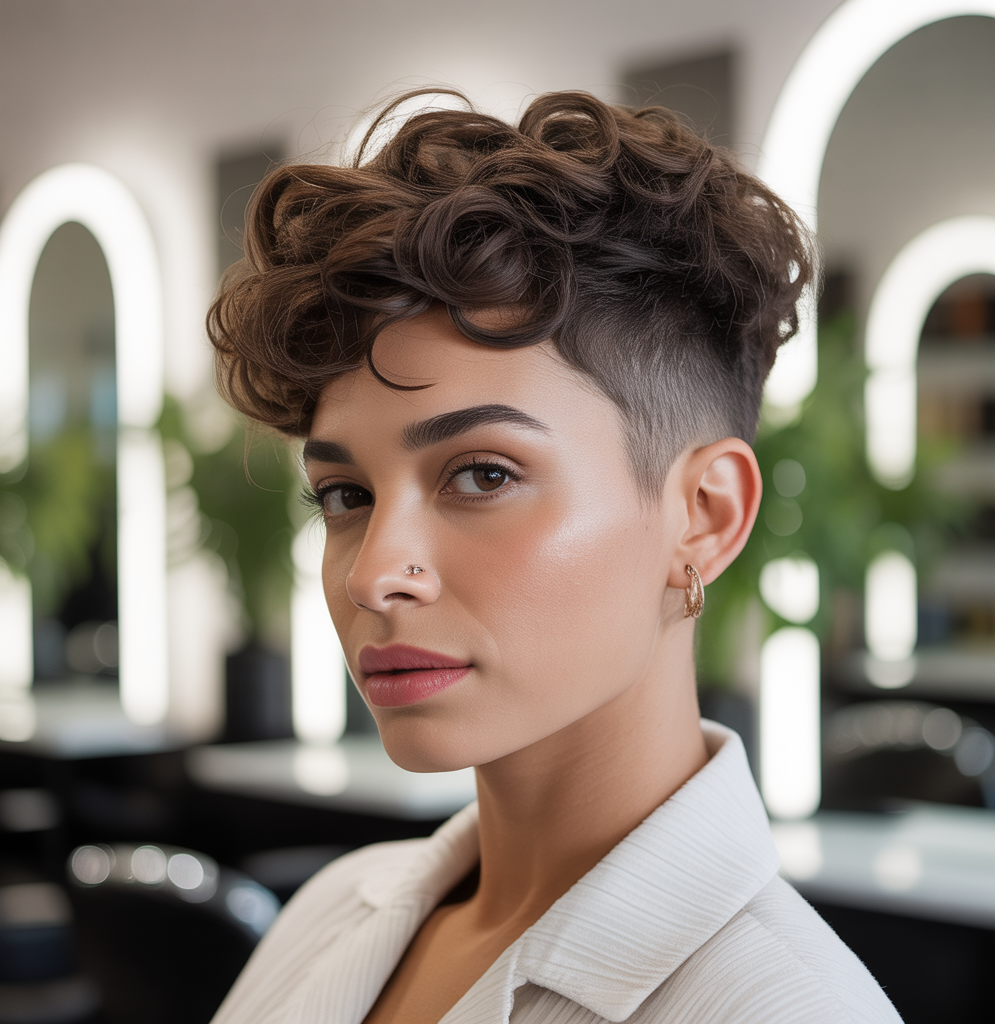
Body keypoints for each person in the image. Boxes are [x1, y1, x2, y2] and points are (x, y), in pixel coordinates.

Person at [208, 90, 901, 1023]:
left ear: (703, 515)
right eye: (347, 496)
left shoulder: (786, 1010)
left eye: (483, 476)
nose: (375, 573)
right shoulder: (332, 914)